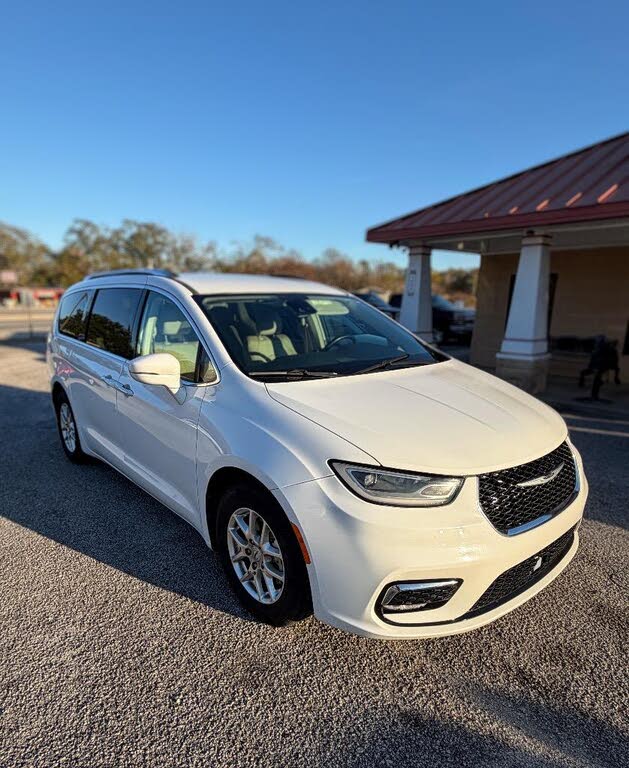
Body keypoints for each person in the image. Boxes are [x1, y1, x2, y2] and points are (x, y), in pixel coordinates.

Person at [579, 336, 621, 400]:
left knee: (597, 377)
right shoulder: (598, 349)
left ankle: (594, 393)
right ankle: (593, 391)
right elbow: (592, 360)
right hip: (597, 365)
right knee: (591, 375)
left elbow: (613, 361)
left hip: (602, 365)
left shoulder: (608, 350)